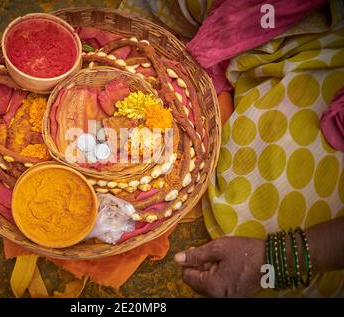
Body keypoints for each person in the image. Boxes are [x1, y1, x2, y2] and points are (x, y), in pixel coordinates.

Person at [120, 0, 344, 297]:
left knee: (277, 209)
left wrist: (275, 259)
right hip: (277, 14)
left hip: (327, 53)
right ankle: (230, 46)